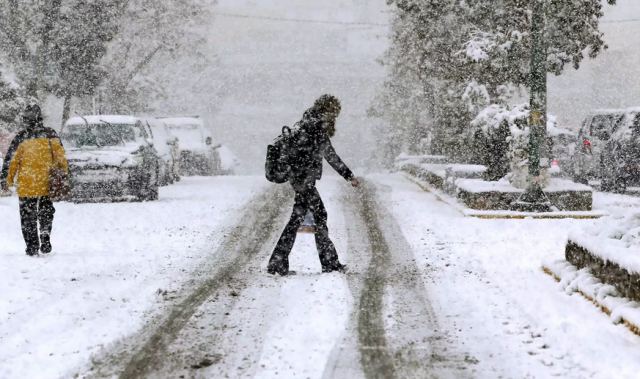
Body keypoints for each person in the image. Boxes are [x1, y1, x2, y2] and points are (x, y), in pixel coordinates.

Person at [267, 94, 359, 276]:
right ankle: (329, 263)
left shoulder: (307, 122)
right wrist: (349, 176)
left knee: (298, 219)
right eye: (334, 113)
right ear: (327, 110)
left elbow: (323, 153)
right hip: (303, 180)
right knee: (319, 215)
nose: (335, 118)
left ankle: (278, 262)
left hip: (300, 178)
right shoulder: (315, 127)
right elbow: (330, 155)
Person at [0, 104, 69, 256]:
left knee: (27, 217)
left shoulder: (21, 137)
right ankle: (45, 232)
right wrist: (63, 174)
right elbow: (61, 158)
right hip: (47, 182)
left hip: (27, 184)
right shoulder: (51, 134)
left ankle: (32, 247)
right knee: (46, 209)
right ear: (40, 118)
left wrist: (6, 179)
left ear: (26, 120)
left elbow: (11, 161)